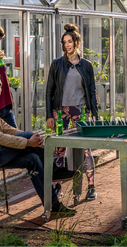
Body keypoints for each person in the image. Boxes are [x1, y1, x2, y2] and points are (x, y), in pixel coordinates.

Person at [0, 71, 78, 215]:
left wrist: (31, 139)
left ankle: (54, 206)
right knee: (29, 138)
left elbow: (5, 128)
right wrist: (28, 141)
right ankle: (55, 171)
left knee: (34, 159)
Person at [46, 23, 99, 201]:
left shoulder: (86, 66)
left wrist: (95, 115)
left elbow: (91, 91)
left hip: (80, 110)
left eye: (70, 41)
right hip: (61, 112)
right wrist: (49, 115)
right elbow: (49, 91)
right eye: (64, 42)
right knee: (59, 149)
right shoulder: (56, 65)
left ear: (77, 42)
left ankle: (91, 186)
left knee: (85, 149)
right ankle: (57, 187)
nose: (67, 45)